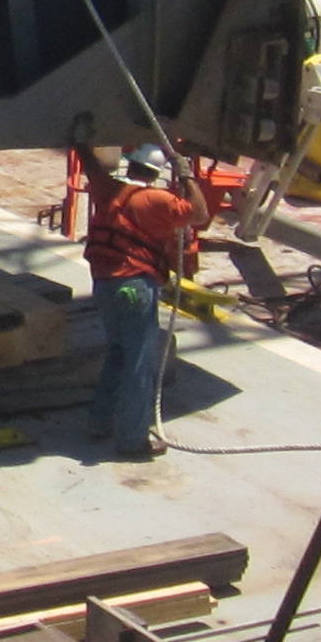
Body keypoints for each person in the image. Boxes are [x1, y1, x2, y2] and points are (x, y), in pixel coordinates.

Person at [78, 143, 202, 458]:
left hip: (104, 286)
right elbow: (200, 214)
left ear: (130, 166)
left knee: (117, 354)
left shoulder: (109, 189)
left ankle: (98, 423)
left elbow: (91, 167)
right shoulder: (159, 201)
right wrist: (187, 176)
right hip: (136, 288)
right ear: (157, 174)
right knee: (139, 366)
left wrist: (81, 142)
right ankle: (132, 441)